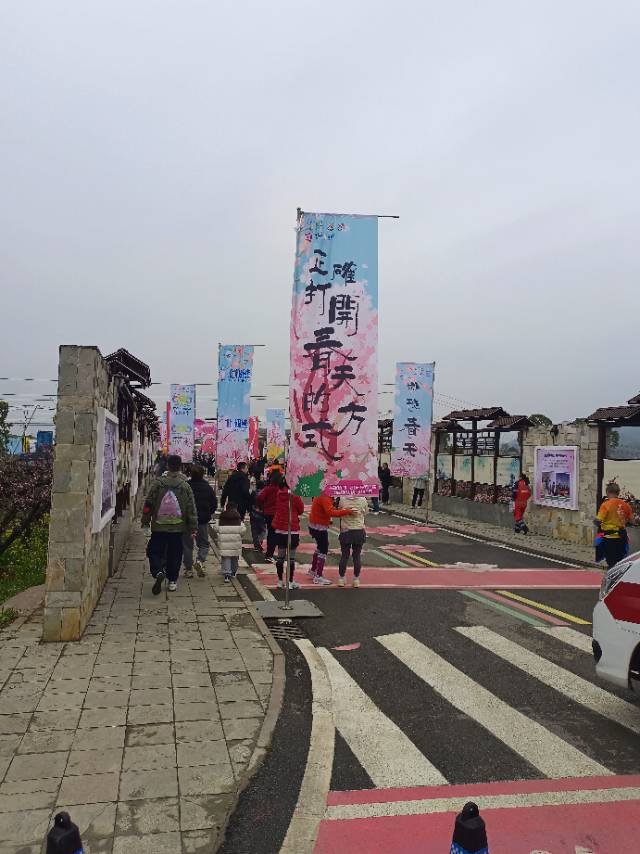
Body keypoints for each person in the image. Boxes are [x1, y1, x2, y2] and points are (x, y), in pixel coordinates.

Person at [142, 454, 198, 593]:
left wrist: (145, 521)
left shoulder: (158, 483)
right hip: (178, 528)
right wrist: (193, 527)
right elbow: (191, 508)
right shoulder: (185, 486)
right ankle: (172, 580)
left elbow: (149, 504)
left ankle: (158, 572)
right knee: (175, 554)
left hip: (159, 526)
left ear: (167, 466)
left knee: (154, 551)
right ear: (180, 467)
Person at [307, 494, 353, 586]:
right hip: (319, 526)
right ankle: (318, 576)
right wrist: (346, 511)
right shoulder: (325, 496)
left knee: (320, 547)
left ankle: (313, 570)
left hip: (315, 524)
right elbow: (330, 512)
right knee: (323, 549)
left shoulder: (323, 495)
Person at [182, 464, 217, 578]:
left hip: (187, 520)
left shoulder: (185, 486)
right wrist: (208, 513)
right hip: (202, 520)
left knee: (187, 545)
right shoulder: (207, 487)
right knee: (204, 544)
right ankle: (200, 560)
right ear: (203, 474)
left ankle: (188, 570)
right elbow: (214, 504)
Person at [271, 479, 305, 589]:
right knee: (291, 558)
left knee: (280, 557)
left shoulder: (278, 495)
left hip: (279, 529)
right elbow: (301, 510)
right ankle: (290, 581)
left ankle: (280, 580)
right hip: (292, 529)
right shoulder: (295, 496)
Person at [595, 483, 634, 568]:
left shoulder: (606, 505)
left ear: (607, 492)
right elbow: (632, 521)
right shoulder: (626, 505)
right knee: (620, 562)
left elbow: (598, 521)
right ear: (618, 492)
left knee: (611, 562)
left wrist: (595, 521)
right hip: (622, 537)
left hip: (610, 538)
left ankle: (612, 576)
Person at [337, 495, 369, 587]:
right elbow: (366, 512)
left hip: (345, 530)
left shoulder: (342, 499)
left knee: (344, 556)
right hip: (358, 530)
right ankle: (356, 579)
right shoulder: (363, 499)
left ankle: (341, 578)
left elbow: (339, 511)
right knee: (356, 556)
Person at [215, 504, 246, 582]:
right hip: (235, 542)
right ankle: (233, 572)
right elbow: (243, 530)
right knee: (234, 557)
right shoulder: (238, 519)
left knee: (226, 558)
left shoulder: (222, 518)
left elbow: (216, 528)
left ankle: (226, 575)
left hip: (224, 543)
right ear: (235, 509)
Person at [256, 470, 282, 563]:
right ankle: (270, 554)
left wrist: (261, 507)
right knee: (275, 534)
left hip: (267, 513)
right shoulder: (280, 490)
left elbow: (259, 498)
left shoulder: (267, 489)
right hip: (277, 514)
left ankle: (270, 553)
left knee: (271, 533)